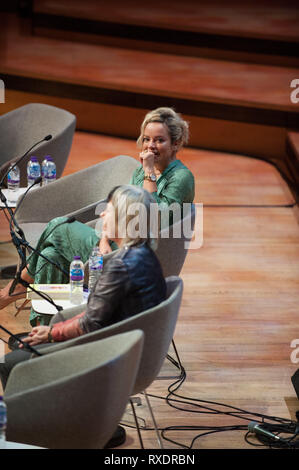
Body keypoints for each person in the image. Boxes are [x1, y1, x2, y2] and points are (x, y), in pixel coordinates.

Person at [0, 107, 194, 325]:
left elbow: (147, 218)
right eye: (147, 138)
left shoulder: (180, 177)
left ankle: (15, 288)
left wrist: (149, 171)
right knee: (51, 255)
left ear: (175, 144)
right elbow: (122, 214)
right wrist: (103, 239)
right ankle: (44, 329)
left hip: (132, 256)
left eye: (160, 140)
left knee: (59, 227)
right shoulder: (142, 171)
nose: (150, 145)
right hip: (113, 244)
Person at [0, 185, 166, 391]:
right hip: (130, 352)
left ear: (125, 220)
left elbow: (89, 326)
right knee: (51, 255)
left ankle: (41, 418)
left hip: (108, 358)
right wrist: (52, 330)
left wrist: (51, 334)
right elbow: (99, 315)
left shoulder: (119, 266)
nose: (103, 213)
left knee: (10, 363)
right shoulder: (147, 256)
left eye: (109, 209)